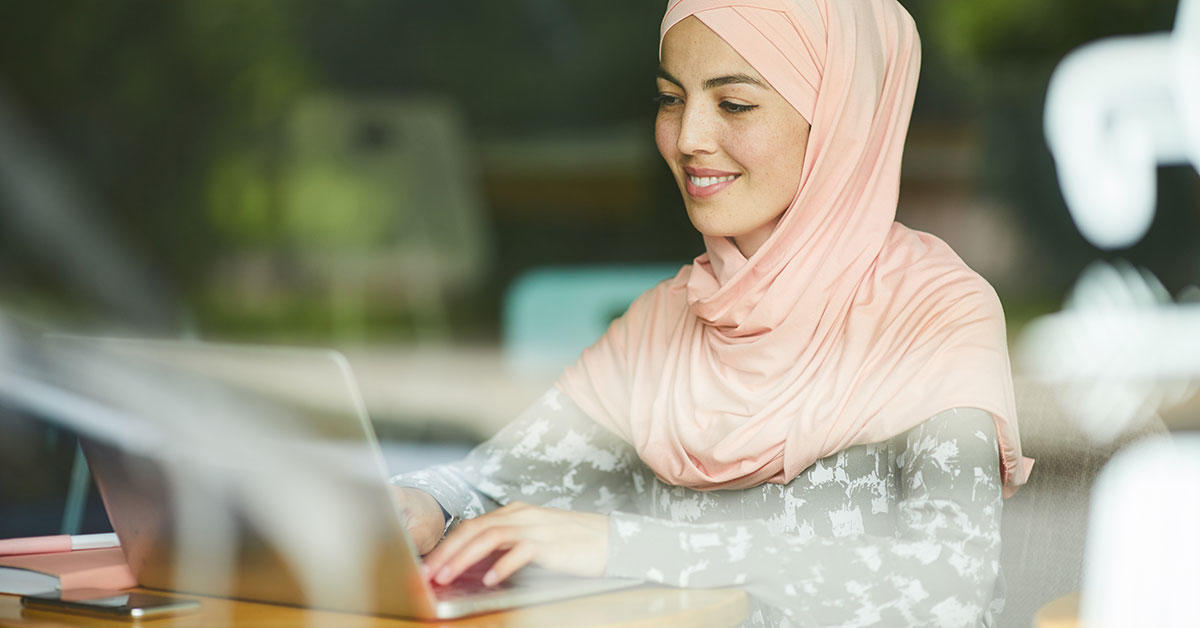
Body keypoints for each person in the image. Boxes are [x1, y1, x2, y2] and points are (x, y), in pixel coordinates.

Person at [390, 0, 1033, 625]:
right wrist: (423, 504)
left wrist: (620, 545)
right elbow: (502, 482)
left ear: (841, 117)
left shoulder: (933, 313)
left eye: (734, 104)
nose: (689, 139)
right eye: (672, 100)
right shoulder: (665, 321)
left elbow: (947, 587)